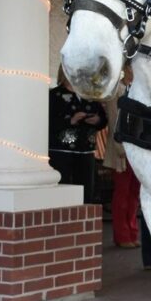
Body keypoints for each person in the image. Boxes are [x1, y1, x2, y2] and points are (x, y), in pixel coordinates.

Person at [49, 67, 107, 203]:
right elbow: (49, 122)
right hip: (62, 152)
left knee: (86, 191)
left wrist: (97, 120)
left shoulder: (89, 96)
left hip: (86, 150)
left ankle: (83, 219)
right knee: (64, 190)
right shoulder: (55, 95)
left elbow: (103, 119)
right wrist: (71, 120)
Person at [103, 66, 140, 249]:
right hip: (122, 151)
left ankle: (132, 231)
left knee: (134, 193)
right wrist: (120, 147)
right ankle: (122, 234)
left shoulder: (136, 89)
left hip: (136, 148)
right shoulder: (115, 91)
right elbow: (114, 120)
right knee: (122, 193)